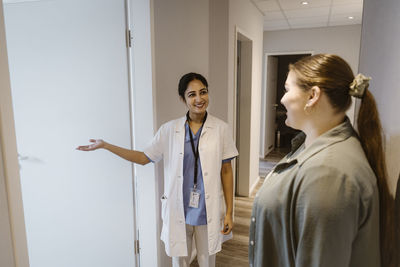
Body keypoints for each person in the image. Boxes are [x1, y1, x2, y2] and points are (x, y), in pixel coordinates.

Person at [77, 72, 238, 267]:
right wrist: (106, 146)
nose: (199, 99)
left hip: (207, 208)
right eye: (192, 94)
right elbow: (143, 158)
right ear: (183, 99)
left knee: (207, 262)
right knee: (179, 262)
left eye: (203, 92)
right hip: (179, 208)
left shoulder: (221, 129)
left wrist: (229, 211)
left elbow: (226, 171)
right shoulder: (169, 130)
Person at [249, 54, 394, 267]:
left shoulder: (329, 174)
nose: (281, 99)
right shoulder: (311, 146)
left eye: (287, 89)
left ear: (312, 96)